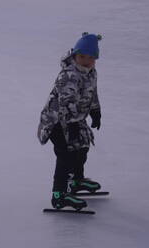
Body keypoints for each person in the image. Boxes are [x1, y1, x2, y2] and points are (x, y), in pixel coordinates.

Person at [37, 33, 102, 210]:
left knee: (82, 148)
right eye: (82, 57)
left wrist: (95, 110)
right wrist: (72, 124)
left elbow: (92, 93)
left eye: (91, 58)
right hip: (57, 121)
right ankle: (59, 195)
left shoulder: (91, 73)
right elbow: (66, 102)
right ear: (74, 56)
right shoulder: (68, 75)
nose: (86, 61)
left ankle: (75, 181)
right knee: (65, 155)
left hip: (75, 120)